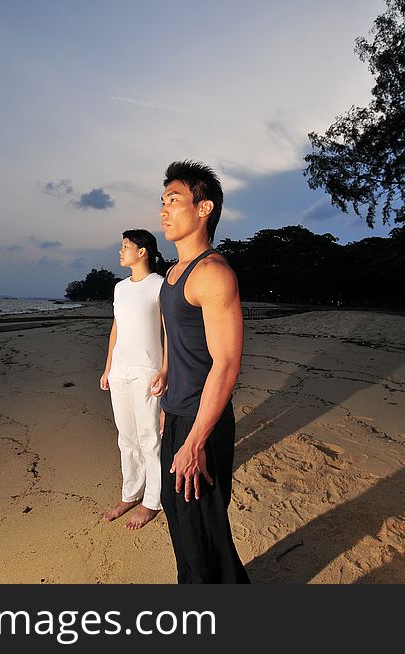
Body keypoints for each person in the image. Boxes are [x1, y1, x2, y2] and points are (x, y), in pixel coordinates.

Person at [158, 160, 250, 583]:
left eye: (174, 200)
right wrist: (166, 403)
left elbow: (226, 364)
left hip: (203, 425)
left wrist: (195, 440)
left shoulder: (213, 274)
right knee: (180, 522)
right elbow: (176, 345)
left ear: (203, 208)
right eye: (162, 202)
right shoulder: (173, 274)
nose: (163, 210)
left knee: (203, 533)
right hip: (177, 415)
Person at [100, 229, 167, 530]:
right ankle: (131, 493)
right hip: (121, 371)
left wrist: (166, 370)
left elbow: (169, 332)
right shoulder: (120, 288)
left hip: (147, 371)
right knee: (125, 437)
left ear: (143, 252)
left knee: (149, 438)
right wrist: (108, 367)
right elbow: (117, 328)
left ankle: (153, 501)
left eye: (126, 246)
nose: (121, 250)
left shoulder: (160, 286)